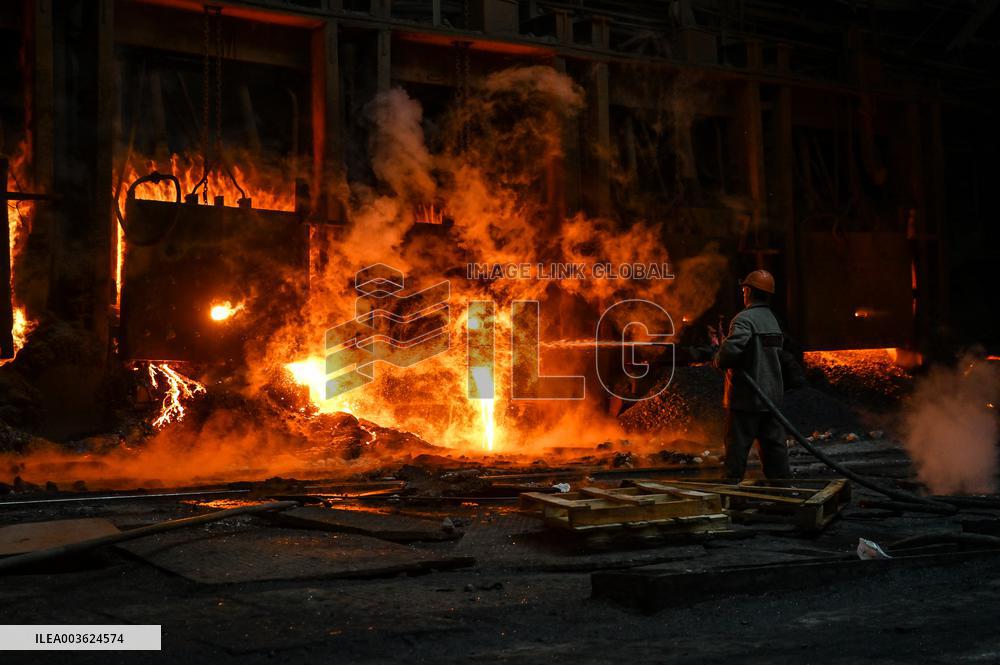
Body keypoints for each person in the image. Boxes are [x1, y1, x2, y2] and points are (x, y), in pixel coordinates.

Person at [713, 270, 791, 482]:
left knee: (736, 450)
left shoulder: (744, 319)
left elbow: (730, 353)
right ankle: (783, 492)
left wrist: (719, 359)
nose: (743, 293)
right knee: (775, 449)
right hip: (771, 399)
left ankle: (731, 495)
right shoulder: (772, 320)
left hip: (746, 399)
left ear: (749, 291)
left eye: (745, 289)